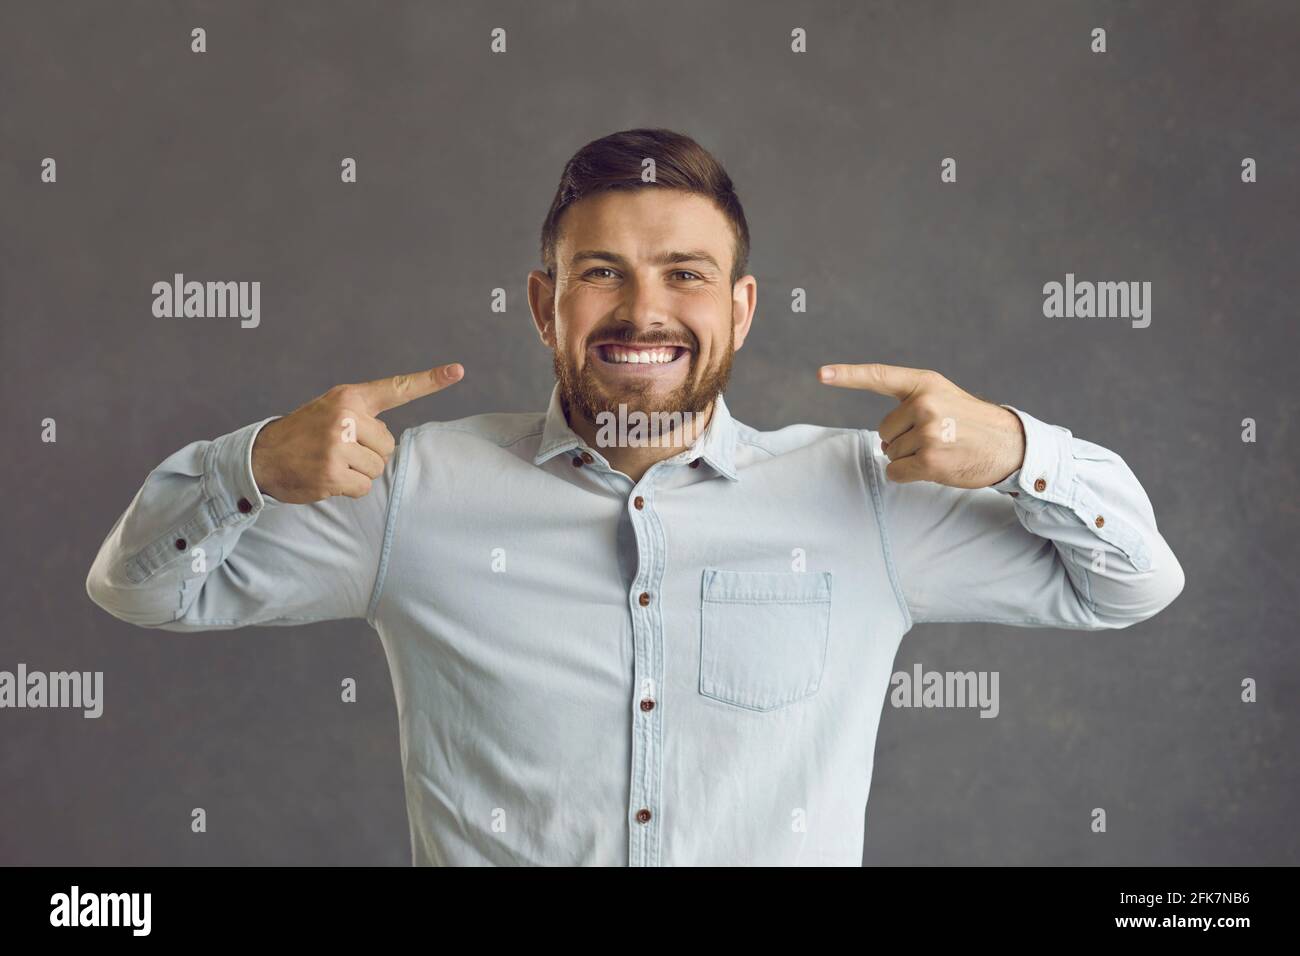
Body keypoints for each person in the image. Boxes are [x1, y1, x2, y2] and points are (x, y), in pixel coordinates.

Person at [86, 128, 1184, 866]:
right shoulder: (411, 490)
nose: (642, 307)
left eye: (685, 272)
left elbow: (1129, 584)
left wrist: (1020, 452)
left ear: (741, 307)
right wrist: (245, 468)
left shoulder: (864, 496)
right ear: (544, 303)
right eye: (601, 270)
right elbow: (139, 592)